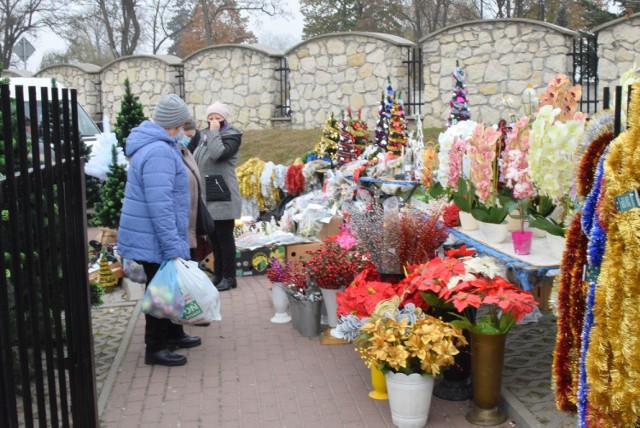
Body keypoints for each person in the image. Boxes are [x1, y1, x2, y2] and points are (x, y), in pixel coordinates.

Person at [117, 94, 201, 367]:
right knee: (160, 290)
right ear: (173, 125)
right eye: (181, 126)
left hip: (154, 235)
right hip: (155, 238)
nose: (184, 132)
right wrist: (171, 244)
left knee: (169, 286)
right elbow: (160, 205)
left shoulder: (158, 146)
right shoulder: (159, 152)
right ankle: (155, 348)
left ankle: (173, 334)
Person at [194, 101, 242, 292]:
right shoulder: (205, 135)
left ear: (224, 119)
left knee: (225, 237)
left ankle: (230, 277)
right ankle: (219, 273)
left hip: (222, 193)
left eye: (217, 118)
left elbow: (217, 154)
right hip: (208, 192)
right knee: (214, 238)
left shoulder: (232, 135)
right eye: (210, 118)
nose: (213, 121)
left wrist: (214, 132)